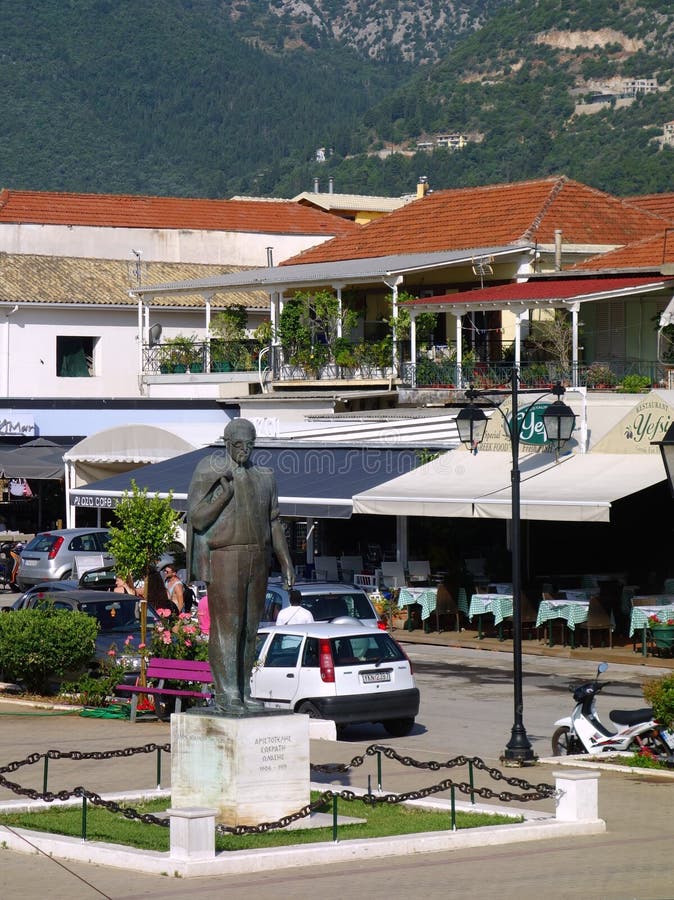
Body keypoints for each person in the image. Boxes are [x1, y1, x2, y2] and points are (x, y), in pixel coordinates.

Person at [187, 417, 295, 714]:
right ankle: (227, 692)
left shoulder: (265, 477)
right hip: (225, 555)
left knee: (249, 628)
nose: (244, 450)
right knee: (228, 627)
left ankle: (244, 688)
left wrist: (286, 562)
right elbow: (196, 519)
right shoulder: (209, 471)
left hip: (258, 557)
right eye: (238, 445)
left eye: (249, 445)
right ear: (226, 443)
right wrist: (223, 497)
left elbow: (274, 522)